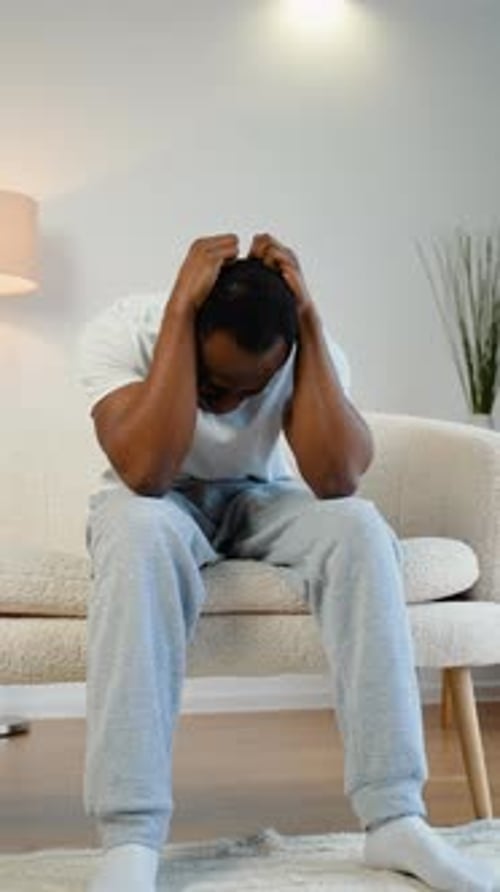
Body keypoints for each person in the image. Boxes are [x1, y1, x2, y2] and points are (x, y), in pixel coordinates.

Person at [77, 233, 495, 892]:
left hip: (263, 499)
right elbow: (146, 471)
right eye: (212, 384)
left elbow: (336, 478)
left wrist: (313, 326)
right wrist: (179, 323)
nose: (228, 404)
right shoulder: (125, 330)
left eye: (252, 388)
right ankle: (130, 841)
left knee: (359, 527)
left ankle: (395, 820)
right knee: (136, 533)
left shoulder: (304, 347)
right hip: (156, 505)